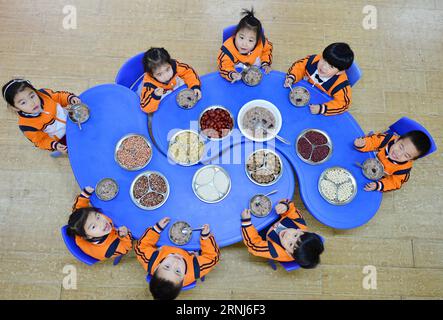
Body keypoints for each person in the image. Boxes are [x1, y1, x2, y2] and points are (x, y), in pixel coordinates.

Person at [135, 217, 220, 300]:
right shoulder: (195, 269)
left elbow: (140, 247)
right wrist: (206, 237)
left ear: (157, 267)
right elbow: (212, 257)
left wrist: (156, 229)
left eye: (167, 266)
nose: (175, 262)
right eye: (178, 271)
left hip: (166, 241)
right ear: (184, 278)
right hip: (191, 249)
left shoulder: (150, 261)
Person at [2, 79, 81, 153]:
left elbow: (59, 96)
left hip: (71, 119)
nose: (32, 103)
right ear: (15, 108)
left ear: (35, 91)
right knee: (76, 149)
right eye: (23, 102)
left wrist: (69, 98)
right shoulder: (26, 125)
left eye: (32, 96)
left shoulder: (44, 94)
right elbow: (40, 140)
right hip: (62, 137)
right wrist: (54, 145)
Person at [241, 199, 323, 269]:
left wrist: (246, 223)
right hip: (274, 216)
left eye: (290, 244)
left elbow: (254, 245)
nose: (288, 236)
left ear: (288, 252)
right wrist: (285, 206)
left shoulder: (276, 251)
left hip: (261, 233)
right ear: (301, 231)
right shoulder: (300, 223)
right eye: (295, 235)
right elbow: (291, 207)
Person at [284, 42, 354, 116]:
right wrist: (292, 77)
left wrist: (323, 108)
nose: (323, 67)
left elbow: (343, 104)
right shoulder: (312, 60)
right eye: (324, 60)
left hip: (318, 106)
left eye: (331, 67)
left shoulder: (341, 86)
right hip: (302, 94)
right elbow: (299, 66)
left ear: (339, 72)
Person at [67, 186, 133, 261]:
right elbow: (126, 248)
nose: (102, 223)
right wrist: (125, 236)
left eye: (97, 216)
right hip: (114, 242)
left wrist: (85, 195)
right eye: (93, 227)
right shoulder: (109, 249)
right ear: (88, 237)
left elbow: (78, 208)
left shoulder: (82, 224)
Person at [354, 130, 431, 191]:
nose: (398, 154)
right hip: (367, 157)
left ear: (411, 159)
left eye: (406, 155)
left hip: (377, 176)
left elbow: (394, 183)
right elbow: (373, 141)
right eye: (401, 147)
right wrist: (363, 144)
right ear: (397, 139)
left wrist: (379, 185)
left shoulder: (403, 170)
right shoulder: (386, 139)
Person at [217, 8, 273, 82]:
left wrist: (266, 63)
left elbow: (267, 51)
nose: (244, 44)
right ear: (235, 34)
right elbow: (224, 66)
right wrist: (232, 74)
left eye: (250, 40)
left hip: (255, 67)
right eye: (241, 37)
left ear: (257, 40)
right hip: (237, 69)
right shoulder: (227, 50)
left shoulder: (262, 42)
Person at [139, 47, 201, 113]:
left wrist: (195, 86)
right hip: (161, 97)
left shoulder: (175, 65)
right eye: (159, 74)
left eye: (168, 69)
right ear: (152, 75)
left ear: (170, 63)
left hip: (175, 86)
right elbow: (146, 108)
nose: (166, 76)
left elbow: (188, 72)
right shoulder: (149, 85)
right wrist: (155, 96)